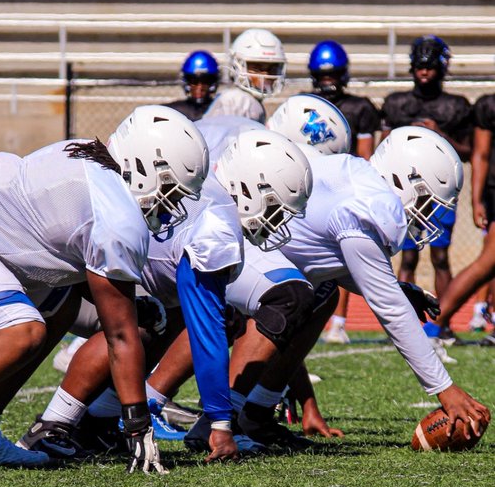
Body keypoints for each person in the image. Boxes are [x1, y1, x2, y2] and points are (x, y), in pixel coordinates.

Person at [0, 106, 209, 474]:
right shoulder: (116, 215)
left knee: (59, 305)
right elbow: (121, 335)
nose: (171, 206)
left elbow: (77, 273)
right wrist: (138, 425)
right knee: (20, 329)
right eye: (171, 190)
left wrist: (133, 305)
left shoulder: (90, 159)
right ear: (145, 168)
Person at [29, 124, 313, 464]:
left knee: (162, 317)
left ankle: (95, 424)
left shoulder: (208, 196)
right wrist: (220, 423)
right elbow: (207, 334)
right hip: (68, 274)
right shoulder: (217, 228)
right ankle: (53, 425)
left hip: (87, 268)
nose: (276, 222)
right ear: (251, 189)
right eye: (275, 209)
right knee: (136, 325)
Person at [207, 115, 490, 445]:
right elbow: (391, 310)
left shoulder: (356, 177)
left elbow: (328, 262)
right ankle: (220, 420)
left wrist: (397, 289)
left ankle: (255, 415)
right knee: (288, 295)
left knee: (322, 290)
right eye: (426, 201)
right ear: (405, 181)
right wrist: (445, 388)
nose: (427, 216)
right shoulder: (367, 207)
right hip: (223, 251)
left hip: (244, 250)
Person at [380, 36, 473, 311]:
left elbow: (467, 151)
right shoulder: (397, 104)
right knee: (406, 257)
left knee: (441, 257)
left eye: (430, 66)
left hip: (440, 190)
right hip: (405, 189)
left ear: (441, 68)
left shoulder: (456, 105)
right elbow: (382, 148)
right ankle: (402, 317)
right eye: (420, 66)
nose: (424, 71)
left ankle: (442, 321)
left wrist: (440, 133)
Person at [304, 40, 381, 344]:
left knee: (343, 257)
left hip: (340, 188)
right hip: (308, 187)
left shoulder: (359, 107)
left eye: (333, 75)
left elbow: (364, 156)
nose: (328, 82)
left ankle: (338, 322)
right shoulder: (304, 103)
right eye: (323, 76)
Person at [422, 86, 495, 348]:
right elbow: (481, 154)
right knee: (488, 262)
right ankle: (434, 326)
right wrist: (477, 200)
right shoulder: (490, 106)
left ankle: (435, 326)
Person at [204, 28, 286, 124]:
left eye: (272, 68)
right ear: (238, 66)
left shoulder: (246, 100)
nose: (266, 74)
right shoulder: (237, 101)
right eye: (257, 68)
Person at [165, 50, 220, 122]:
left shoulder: (222, 109)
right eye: (194, 81)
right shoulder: (175, 111)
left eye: (205, 81)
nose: (200, 87)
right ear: (187, 82)